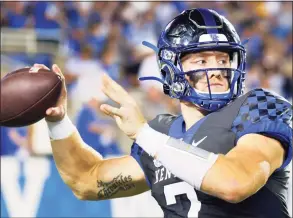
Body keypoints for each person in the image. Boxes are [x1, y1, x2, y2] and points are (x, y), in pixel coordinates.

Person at [30, 8, 292, 218]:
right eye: (202, 60)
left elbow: (236, 182)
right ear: (171, 70)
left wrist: (144, 135)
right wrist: (58, 120)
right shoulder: (162, 133)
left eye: (223, 59)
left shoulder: (258, 106)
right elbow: (86, 180)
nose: (217, 70)